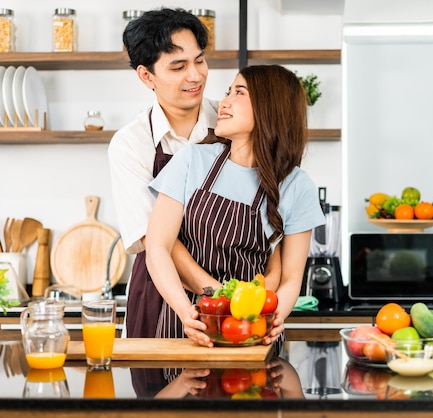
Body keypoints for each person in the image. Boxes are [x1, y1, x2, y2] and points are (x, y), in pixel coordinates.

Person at [145, 64, 326, 347]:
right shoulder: (192, 160)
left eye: (238, 92)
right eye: (228, 91)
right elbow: (157, 247)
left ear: (270, 107)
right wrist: (185, 312)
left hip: (252, 328)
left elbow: (291, 277)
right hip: (190, 323)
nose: (224, 101)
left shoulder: (297, 185)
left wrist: (276, 317)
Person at [108, 8, 230, 338]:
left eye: (200, 60)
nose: (196, 75)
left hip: (236, 287)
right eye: (178, 66)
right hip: (161, 298)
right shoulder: (131, 144)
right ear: (146, 76)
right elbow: (155, 239)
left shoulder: (233, 122)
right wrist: (219, 296)